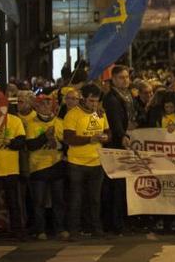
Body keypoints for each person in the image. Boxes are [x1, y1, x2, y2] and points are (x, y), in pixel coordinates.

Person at [63, 84, 110, 241]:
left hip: (96, 162)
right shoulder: (72, 115)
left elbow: (108, 132)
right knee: (76, 198)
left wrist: (105, 137)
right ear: (83, 98)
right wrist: (90, 139)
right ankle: (74, 230)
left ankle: (96, 228)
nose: (94, 104)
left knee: (95, 198)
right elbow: (69, 138)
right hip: (77, 163)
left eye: (97, 101)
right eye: (91, 101)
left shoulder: (99, 114)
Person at [25, 93, 67, 240]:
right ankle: (40, 230)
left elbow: (67, 146)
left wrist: (58, 143)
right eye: (42, 104)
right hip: (38, 167)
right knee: (39, 202)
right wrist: (45, 137)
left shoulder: (60, 122)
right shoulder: (31, 124)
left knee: (58, 201)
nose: (45, 106)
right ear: (36, 107)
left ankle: (59, 228)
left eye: (48, 103)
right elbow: (30, 145)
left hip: (56, 165)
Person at [0, 85, 27, 240]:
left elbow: (21, 142)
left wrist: (10, 142)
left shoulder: (14, 120)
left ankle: (18, 231)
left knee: (14, 203)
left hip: (10, 169)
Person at [101, 65, 134, 235]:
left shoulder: (126, 96)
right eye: (121, 77)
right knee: (116, 186)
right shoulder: (112, 99)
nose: (125, 80)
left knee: (121, 186)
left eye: (127, 77)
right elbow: (115, 121)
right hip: (115, 146)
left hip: (122, 143)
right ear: (113, 79)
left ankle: (119, 221)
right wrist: (122, 136)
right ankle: (115, 223)